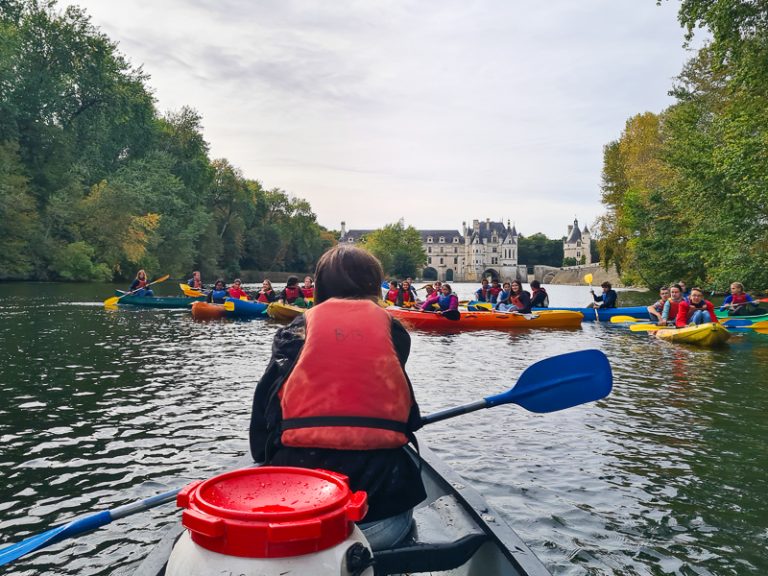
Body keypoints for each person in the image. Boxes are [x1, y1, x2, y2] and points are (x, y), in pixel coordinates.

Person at [249, 244, 425, 550]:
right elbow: (405, 413)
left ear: (320, 286)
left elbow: (264, 409)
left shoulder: (293, 332)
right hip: (380, 520)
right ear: (373, 284)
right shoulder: (395, 332)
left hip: (302, 516)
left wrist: (262, 460)